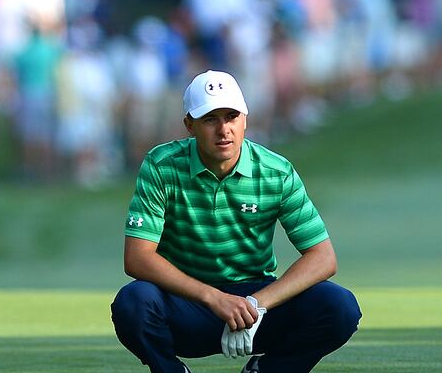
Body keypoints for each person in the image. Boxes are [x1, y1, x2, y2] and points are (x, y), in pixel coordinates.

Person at [111, 70, 361, 373]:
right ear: (189, 125)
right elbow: (137, 258)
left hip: (256, 305)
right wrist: (215, 298)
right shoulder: (161, 166)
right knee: (133, 303)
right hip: (187, 305)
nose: (223, 130)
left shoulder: (275, 171)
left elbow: (323, 258)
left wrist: (256, 304)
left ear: (245, 120)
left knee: (340, 307)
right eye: (210, 119)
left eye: (231, 117)